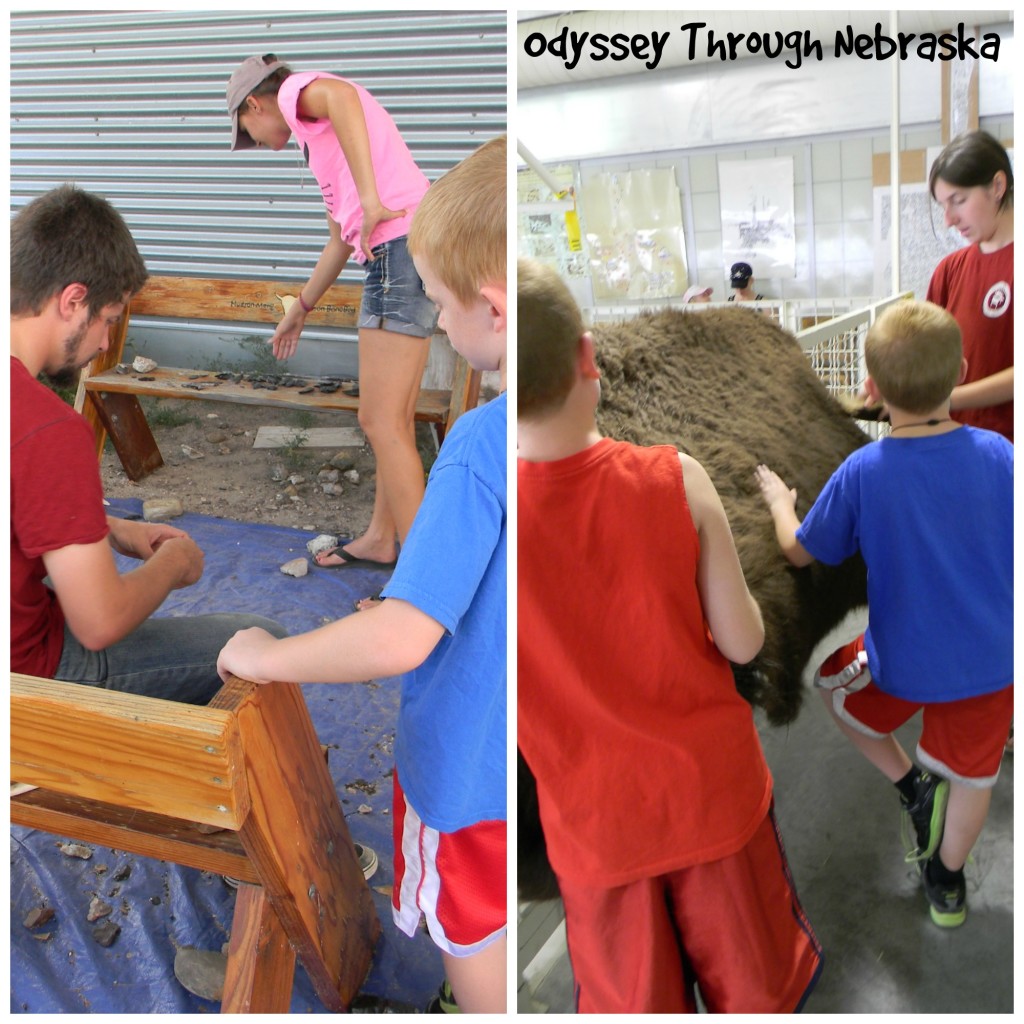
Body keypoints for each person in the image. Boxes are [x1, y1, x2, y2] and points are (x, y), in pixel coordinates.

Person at [217, 135, 507, 1013]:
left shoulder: (479, 449)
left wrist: (269, 653)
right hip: (526, 763)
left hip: (462, 780)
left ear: (491, 309)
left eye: (439, 304)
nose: (436, 323)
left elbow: (401, 635)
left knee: (471, 929)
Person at [517, 258, 822, 1014]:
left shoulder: (490, 519)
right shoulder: (677, 478)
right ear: (590, 358)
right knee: (753, 984)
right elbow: (746, 644)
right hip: (710, 800)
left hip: (595, 831)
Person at [756, 299, 1012, 929]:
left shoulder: (863, 471)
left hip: (901, 666)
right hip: (995, 664)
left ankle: (913, 788)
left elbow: (797, 550)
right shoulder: (1003, 455)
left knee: (834, 691)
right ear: (962, 370)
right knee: (975, 780)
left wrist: (779, 501)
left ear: (870, 389)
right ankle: (947, 887)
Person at [11, 185, 286, 704]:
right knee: (266, 640)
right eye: (109, 321)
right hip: (27, 678)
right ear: (73, 301)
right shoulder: (47, 427)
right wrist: (171, 567)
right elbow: (99, 622)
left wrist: (112, 529)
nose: (103, 344)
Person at [226, 54, 437, 591]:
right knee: (393, 421)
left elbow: (341, 97)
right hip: (397, 251)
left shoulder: (298, 92)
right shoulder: (319, 144)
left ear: (255, 102)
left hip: (397, 249)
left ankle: (422, 589)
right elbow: (341, 238)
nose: (254, 141)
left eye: (246, 129)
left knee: (380, 422)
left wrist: (370, 199)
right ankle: (381, 539)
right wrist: (301, 305)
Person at [927, 130, 1013, 443]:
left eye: (958, 201)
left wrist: (949, 400)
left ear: (998, 186)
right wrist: (892, 382)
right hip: (957, 448)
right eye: (943, 206)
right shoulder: (949, 271)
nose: (949, 219)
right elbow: (924, 350)